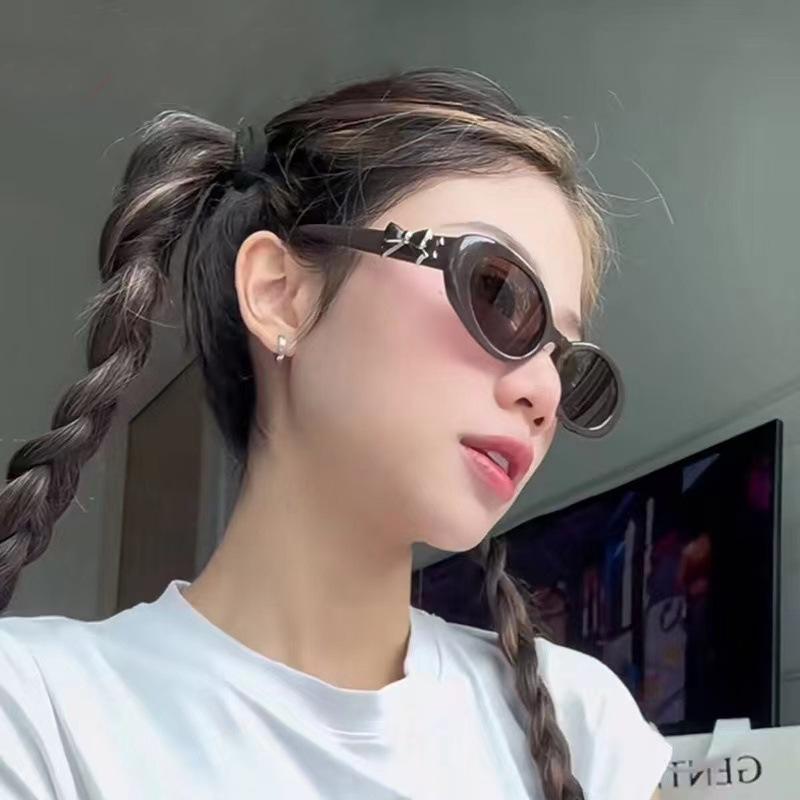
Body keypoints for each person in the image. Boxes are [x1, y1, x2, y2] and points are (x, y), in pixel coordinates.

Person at [0, 67, 671, 799]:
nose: (544, 391)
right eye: (498, 293)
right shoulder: (39, 716)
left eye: (568, 363)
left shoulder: (588, 726)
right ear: (280, 294)